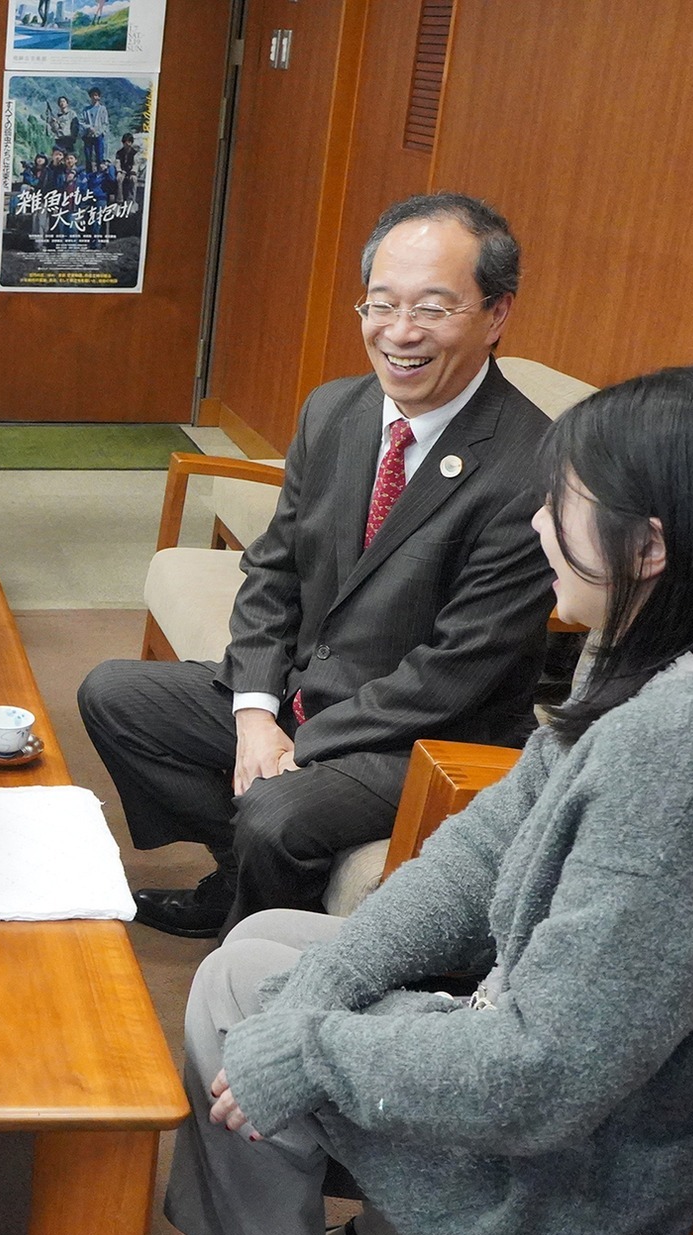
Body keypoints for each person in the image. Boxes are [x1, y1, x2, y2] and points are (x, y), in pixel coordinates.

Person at [144, 363, 693, 1235]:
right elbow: (483, 843)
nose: (537, 529)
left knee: (240, 998)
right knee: (273, 949)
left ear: (647, 546)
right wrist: (328, 986)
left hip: (628, 1184)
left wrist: (308, 1043)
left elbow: (541, 1076)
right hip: (626, 1097)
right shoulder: (664, 658)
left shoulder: (688, 747)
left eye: (560, 508)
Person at [80, 193, 554, 938]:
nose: (400, 332)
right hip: (307, 697)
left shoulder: (531, 465)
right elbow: (272, 573)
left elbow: (458, 669)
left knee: (276, 808)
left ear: (497, 315)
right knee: (116, 696)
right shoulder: (336, 410)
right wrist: (257, 711)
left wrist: (298, 742)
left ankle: (263, 967)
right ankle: (243, 873)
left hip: (423, 736)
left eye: (432, 309)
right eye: (382, 303)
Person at [77, 86, 110, 172]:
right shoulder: (86, 110)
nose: (94, 97)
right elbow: (81, 121)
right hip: (88, 136)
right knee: (88, 157)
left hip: (98, 136)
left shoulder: (102, 109)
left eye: (96, 95)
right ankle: (89, 176)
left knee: (99, 157)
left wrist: (99, 131)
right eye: (92, 95)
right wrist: (89, 127)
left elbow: (105, 123)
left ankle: (99, 176)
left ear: (99, 97)